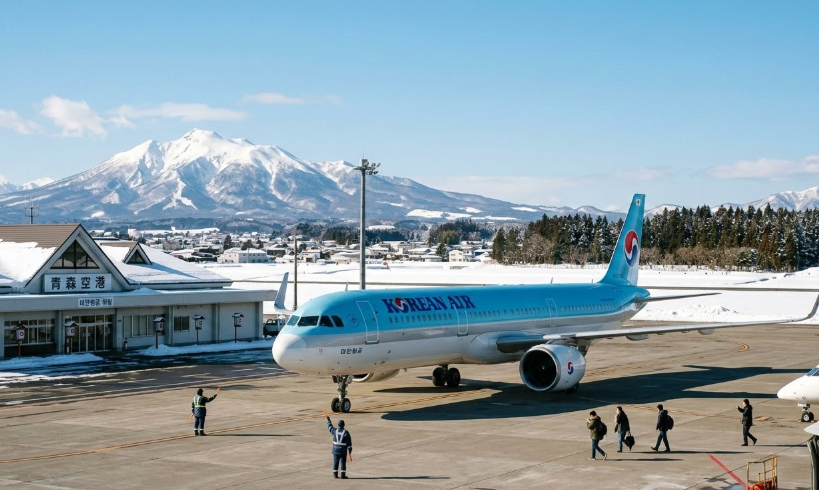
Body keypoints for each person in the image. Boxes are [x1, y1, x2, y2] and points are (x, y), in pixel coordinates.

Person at [327, 414, 353, 478]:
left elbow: (330, 428)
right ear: (344, 425)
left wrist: (329, 421)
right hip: (343, 450)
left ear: (338, 425)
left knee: (335, 462)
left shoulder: (335, 431)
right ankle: (343, 475)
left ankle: (335, 474)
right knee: (343, 463)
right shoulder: (346, 432)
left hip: (335, 450)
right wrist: (350, 450)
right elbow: (349, 443)